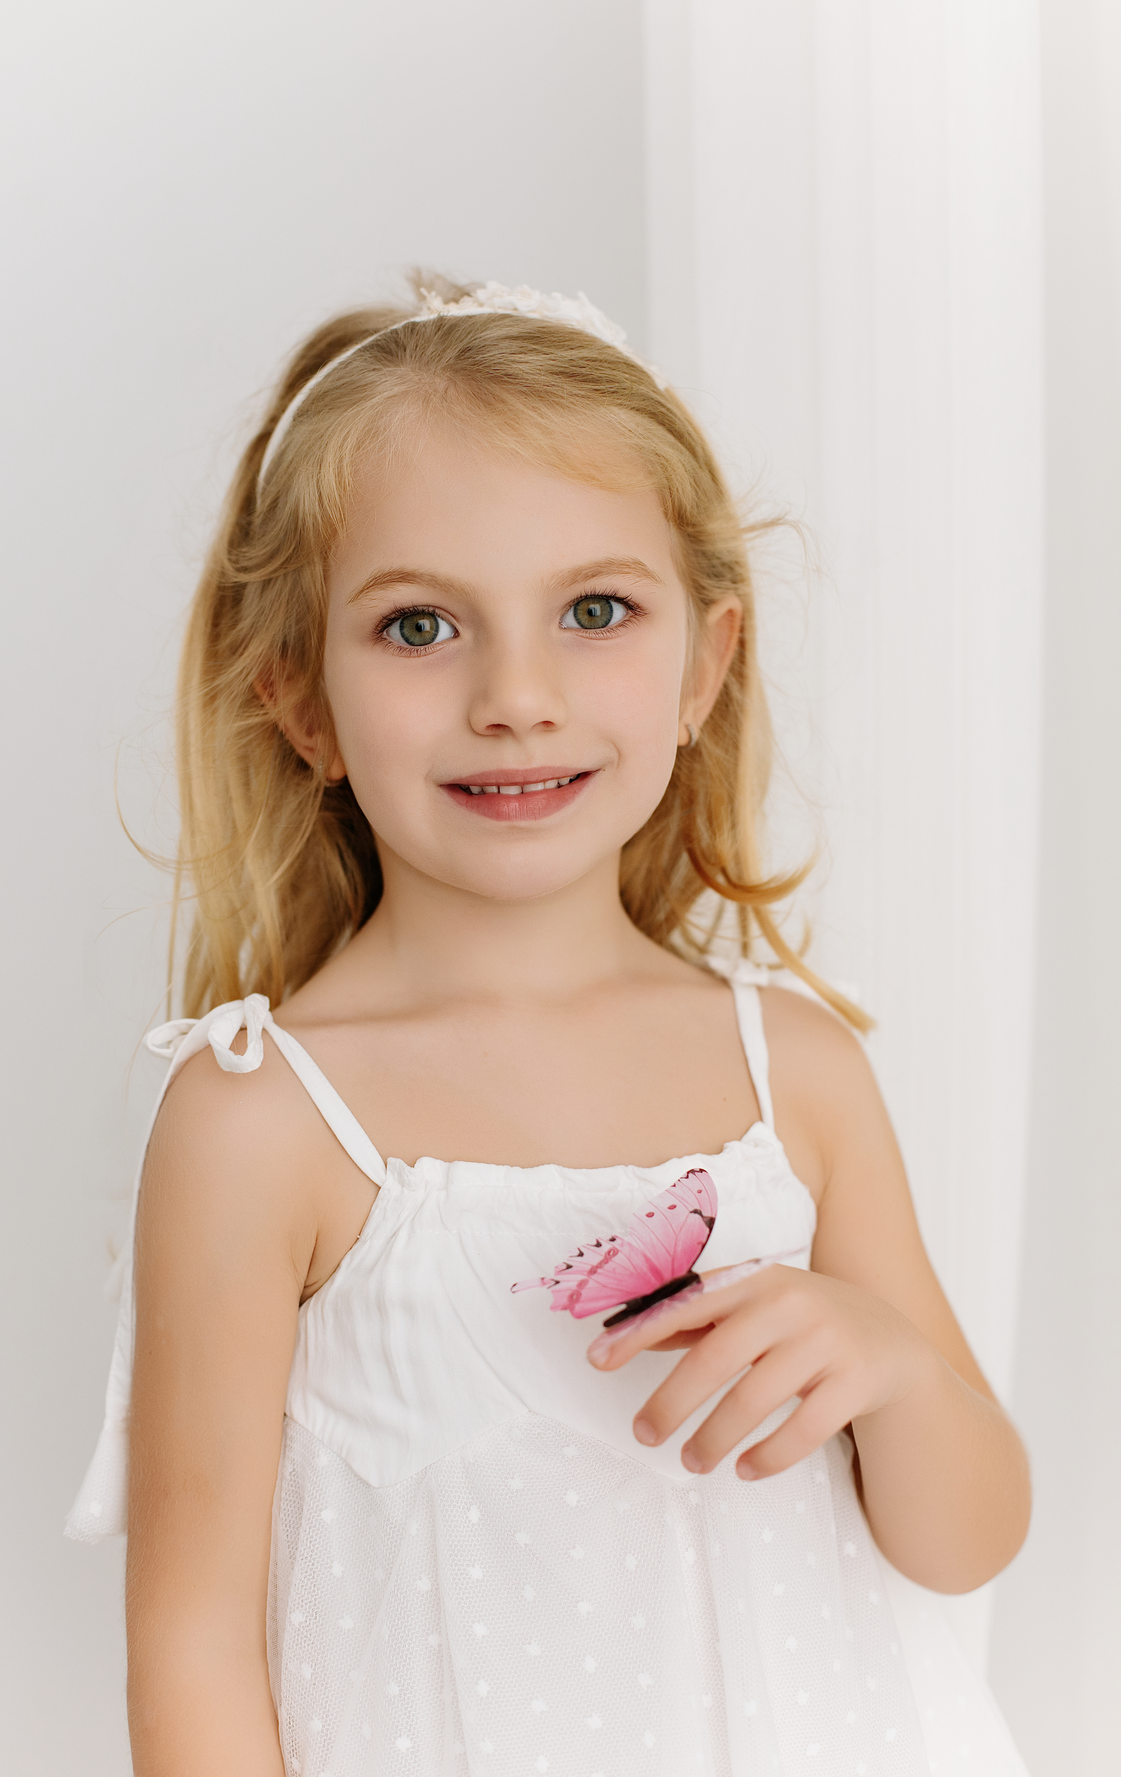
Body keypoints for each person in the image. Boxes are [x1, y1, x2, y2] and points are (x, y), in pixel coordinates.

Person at [68, 279, 1032, 1776]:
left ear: (704, 663)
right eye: (419, 626)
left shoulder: (795, 1072)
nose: (516, 697)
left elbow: (968, 1541)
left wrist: (891, 1367)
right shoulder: (262, 1120)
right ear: (302, 704)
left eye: (594, 612)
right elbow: (193, 1653)